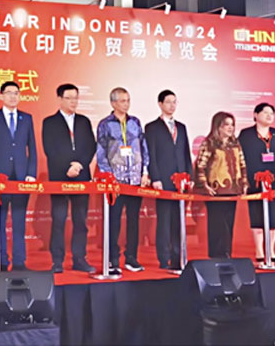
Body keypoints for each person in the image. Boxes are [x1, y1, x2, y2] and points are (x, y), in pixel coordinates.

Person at [42, 83, 96, 274]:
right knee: (58, 220)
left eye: (76, 98)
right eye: (69, 98)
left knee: (80, 220)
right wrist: (67, 167)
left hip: (81, 176)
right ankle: (57, 261)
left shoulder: (84, 121)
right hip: (60, 176)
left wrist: (79, 164)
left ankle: (79, 259)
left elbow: (91, 146)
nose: (73, 102)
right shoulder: (50, 122)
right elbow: (50, 149)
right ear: (60, 99)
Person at [0, 81, 37, 271]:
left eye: (16, 93)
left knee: (19, 221)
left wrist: (31, 173)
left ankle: (19, 262)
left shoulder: (27, 118)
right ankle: (2, 261)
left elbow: (32, 148)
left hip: (21, 177)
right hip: (0, 178)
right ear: (1, 96)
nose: (13, 96)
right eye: (9, 93)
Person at [97, 87, 149, 274]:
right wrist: (108, 176)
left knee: (134, 220)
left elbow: (143, 148)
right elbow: (101, 152)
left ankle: (131, 258)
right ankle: (112, 259)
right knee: (114, 221)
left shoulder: (135, 122)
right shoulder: (105, 124)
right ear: (113, 103)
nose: (126, 104)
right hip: (115, 181)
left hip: (135, 179)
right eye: (122, 101)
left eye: (128, 100)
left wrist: (145, 171)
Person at [145, 90, 192, 271]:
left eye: (174, 102)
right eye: (168, 102)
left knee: (178, 220)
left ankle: (178, 256)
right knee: (164, 220)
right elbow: (151, 155)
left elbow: (186, 153)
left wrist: (189, 175)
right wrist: (155, 177)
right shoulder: (152, 127)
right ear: (160, 104)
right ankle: (164, 258)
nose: (172, 105)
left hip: (181, 181)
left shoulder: (182, 127)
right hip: (163, 180)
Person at [196, 112, 248, 258]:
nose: (230, 128)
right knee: (217, 225)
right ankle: (216, 256)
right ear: (218, 126)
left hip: (233, 190)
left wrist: (244, 183)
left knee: (229, 224)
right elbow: (200, 166)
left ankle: (227, 255)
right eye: (226, 124)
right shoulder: (209, 143)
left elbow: (242, 164)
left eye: (232, 125)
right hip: (215, 191)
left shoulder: (235, 144)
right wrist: (205, 185)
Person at [238, 103, 275, 262]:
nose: (269, 116)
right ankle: (259, 250)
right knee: (257, 216)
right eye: (265, 113)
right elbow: (240, 158)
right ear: (255, 115)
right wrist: (244, 180)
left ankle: (271, 250)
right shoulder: (246, 135)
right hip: (254, 181)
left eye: (272, 113)